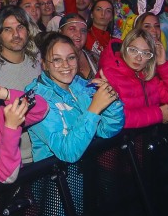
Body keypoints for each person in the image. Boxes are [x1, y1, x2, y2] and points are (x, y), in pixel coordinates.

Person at [26, 33, 124, 162]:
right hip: (56, 177)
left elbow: (106, 130)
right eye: (57, 59)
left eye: (71, 58)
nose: (66, 65)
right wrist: (94, 109)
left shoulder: (80, 85)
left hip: (88, 169)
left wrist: (111, 100)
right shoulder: (37, 99)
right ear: (44, 64)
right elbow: (67, 152)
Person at [101, 28, 168, 128]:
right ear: (124, 48)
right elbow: (115, 118)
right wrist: (159, 114)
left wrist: (163, 65)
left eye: (146, 53)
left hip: (148, 139)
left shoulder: (148, 76)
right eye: (133, 50)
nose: (138, 58)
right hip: (120, 142)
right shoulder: (108, 74)